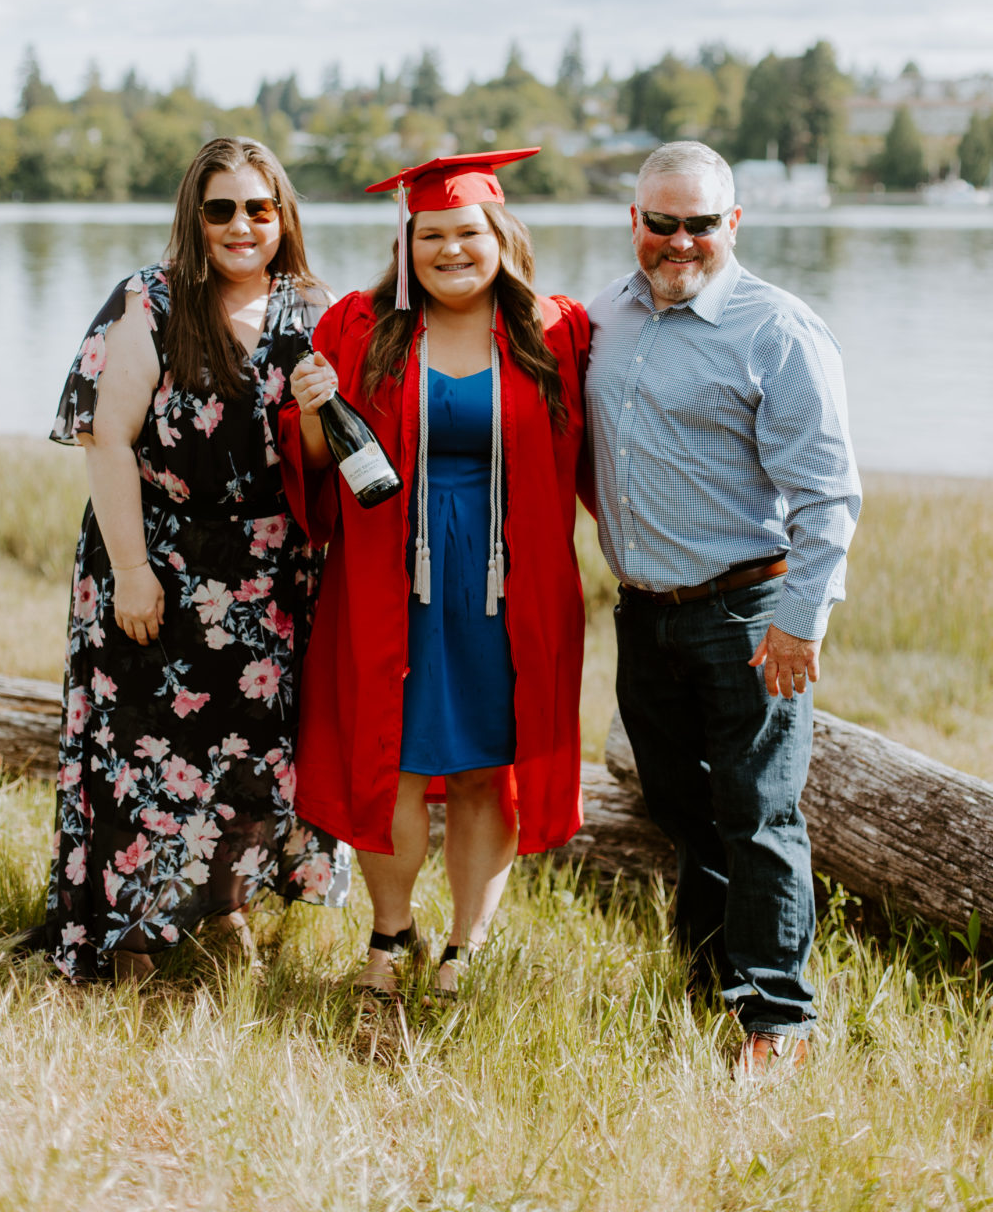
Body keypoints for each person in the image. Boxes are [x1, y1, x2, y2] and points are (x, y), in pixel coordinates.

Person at [279, 150, 589, 995]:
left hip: (505, 590)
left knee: (491, 766)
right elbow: (314, 467)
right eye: (431, 235)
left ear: (501, 236)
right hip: (388, 582)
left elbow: (608, 453)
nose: (451, 249)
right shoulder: (359, 329)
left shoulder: (556, 334)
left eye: (467, 232)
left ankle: (464, 949)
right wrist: (312, 411)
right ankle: (390, 934)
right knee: (395, 760)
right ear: (407, 245)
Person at [44, 136, 350, 982]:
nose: (242, 225)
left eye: (259, 207)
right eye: (222, 209)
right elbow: (106, 437)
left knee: (255, 749)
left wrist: (320, 412)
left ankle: (223, 914)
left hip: (272, 569)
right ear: (196, 216)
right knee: (141, 745)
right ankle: (132, 932)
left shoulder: (316, 310)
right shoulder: (151, 299)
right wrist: (133, 571)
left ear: (283, 214)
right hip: (160, 554)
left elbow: (316, 463)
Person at [585, 140, 861, 1075]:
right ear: (635, 222)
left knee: (760, 816)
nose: (679, 241)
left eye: (700, 223)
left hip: (747, 611)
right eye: (661, 223)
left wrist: (800, 623)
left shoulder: (777, 330)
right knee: (680, 809)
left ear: (731, 223)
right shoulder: (604, 319)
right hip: (641, 612)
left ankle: (777, 1023)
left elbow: (830, 500)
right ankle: (709, 984)